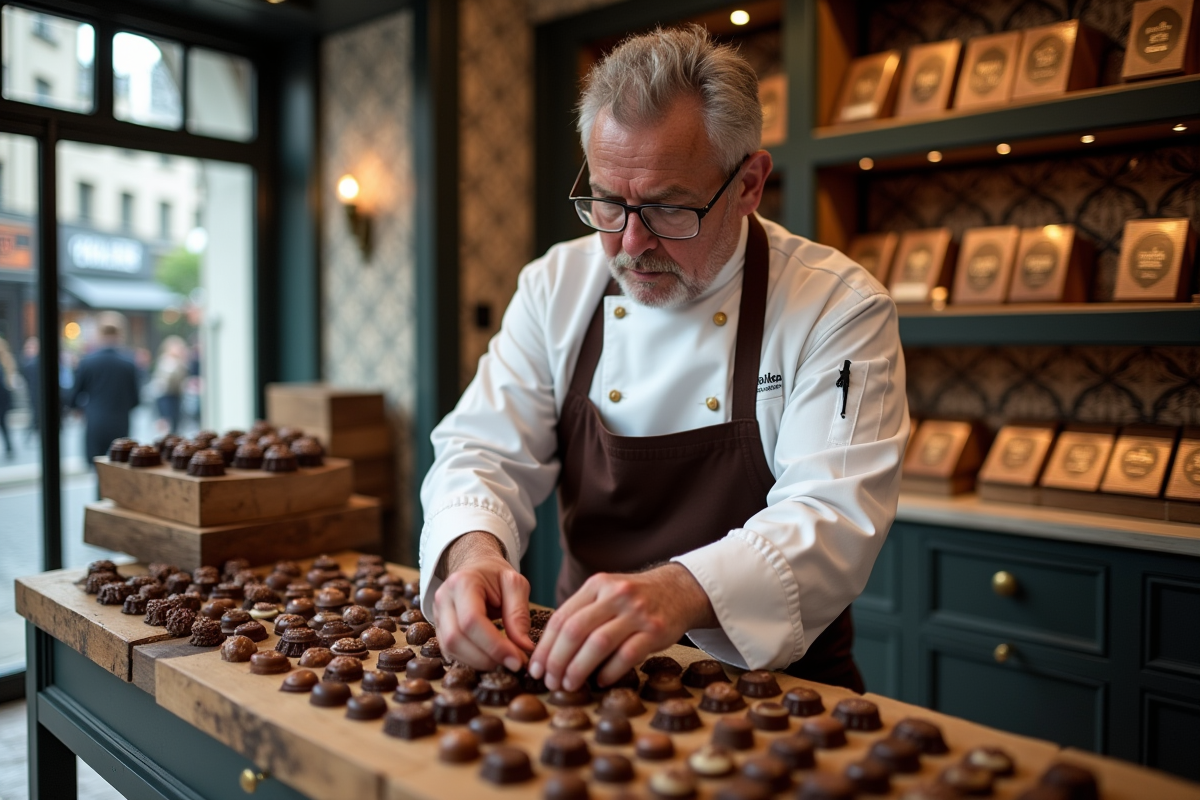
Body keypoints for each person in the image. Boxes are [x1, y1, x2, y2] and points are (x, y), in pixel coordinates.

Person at [419, 26, 908, 694]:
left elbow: (831, 516)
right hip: (579, 674)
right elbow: (483, 448)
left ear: (749, 185)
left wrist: (678, 592)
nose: (630, 242)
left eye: (668, 208)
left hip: (773, 692)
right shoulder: (554, 286)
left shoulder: (838, 309)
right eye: (608, 202)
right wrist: (472, 550)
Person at [68, 312, 142, 463]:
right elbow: (136, 400)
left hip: (96, 421)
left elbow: (73, 397)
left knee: (97, 467)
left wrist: (83, 408)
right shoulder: (129, 362)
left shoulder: (87, 362)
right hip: (120, 422)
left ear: (99, 333)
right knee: (118, 466)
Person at [149, 335, 189, 434]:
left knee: (175, 425)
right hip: (166, 397)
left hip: (175, 396)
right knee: (168, 425)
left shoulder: (179, 362)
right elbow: (168, 380)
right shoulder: (167, 361)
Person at [20, 337, 39, 443]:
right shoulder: (28, 362)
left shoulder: (34, 362)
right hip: (33, 393)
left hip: (37, 393)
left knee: (36, 415)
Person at [0, 337, 15, 458]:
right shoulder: (7, 361)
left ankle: (10, 447)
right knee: (4, 425)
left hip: (2, 397)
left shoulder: (4, 363)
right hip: (5, 398)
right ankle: (9, 447)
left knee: (4, 425)